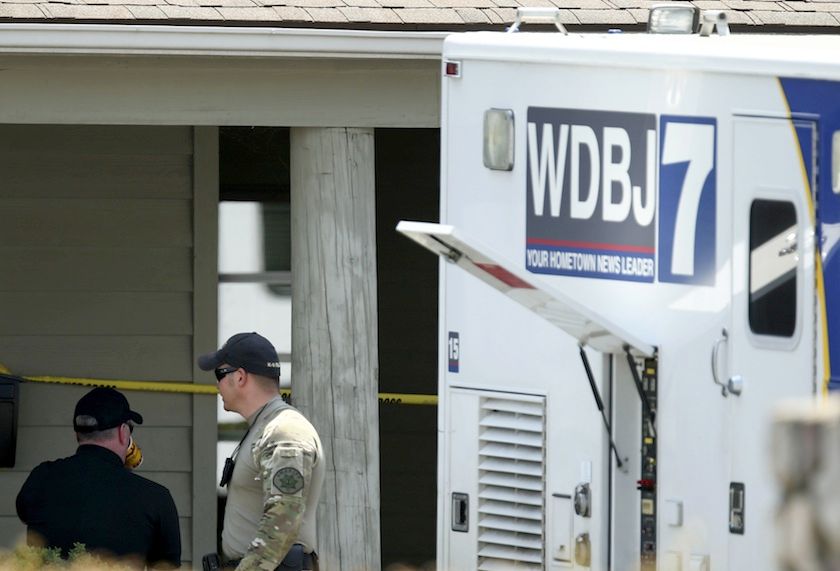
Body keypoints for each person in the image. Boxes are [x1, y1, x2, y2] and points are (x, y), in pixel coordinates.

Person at [16, 387, 181, 569]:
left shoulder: (41, 477)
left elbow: (26, 515)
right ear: (123, 432)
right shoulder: (155, 497)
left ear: (77, 434)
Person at [199, 332, 324, 571]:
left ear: (240, 377)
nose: (217, 384)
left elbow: (283, 518)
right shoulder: (266, 428)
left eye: (220, 374)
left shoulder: (284, 431)